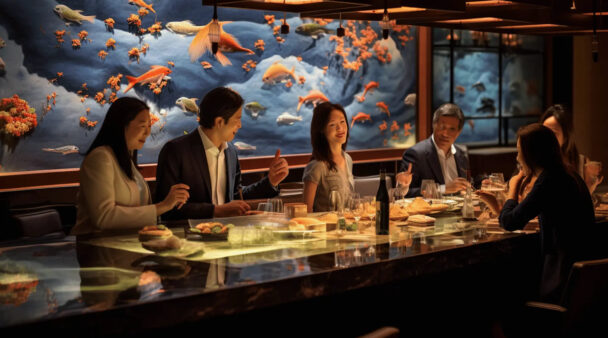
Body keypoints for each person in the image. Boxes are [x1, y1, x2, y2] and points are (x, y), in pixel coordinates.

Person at [156, 87, 289, 219]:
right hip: (187, 235)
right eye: (237, 119)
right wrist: (215, 211)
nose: (240, 125)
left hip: (225, 233)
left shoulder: (230, 152)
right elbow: (166, 209)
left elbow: (237, 196)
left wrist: (270, 181)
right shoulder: (175, 151)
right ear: (219, 122)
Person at [499, 123, 595, 302]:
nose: (518, 157)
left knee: (501, 296)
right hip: (580, 279)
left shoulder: (549, 180)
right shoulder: (569, 174)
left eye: (520, 151)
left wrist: (513, 188)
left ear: (531, 155)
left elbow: (509, 222)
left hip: (560, 280)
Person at [72, 97, 189, 236]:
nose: (147, 133)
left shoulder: (127, 160)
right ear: (122, 125)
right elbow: (104, 217)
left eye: (149, 126)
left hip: (125, 244)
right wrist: (162, 206)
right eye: (142, 126)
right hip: (98, 248)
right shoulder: (100, 158)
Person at [396, 103, 469, 197]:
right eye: (442, 127)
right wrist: (443, 189)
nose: (445, 134)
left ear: (459, 132)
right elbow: (403, 194)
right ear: (434, 125)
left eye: (452, 129)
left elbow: (468, 183)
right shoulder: (415, 154)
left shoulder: (462, 153)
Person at [302, 102, 354, 212]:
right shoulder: (317, 166)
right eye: (332, 124)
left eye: (342, 122)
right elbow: (306, 211)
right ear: (321, 130)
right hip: (325, 227)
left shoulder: (348, 159)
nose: (340, 128)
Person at [541, 104, 603, 194]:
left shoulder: (581, 163)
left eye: (553, 134)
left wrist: (591, 185)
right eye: (543, 133)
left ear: (566, 137)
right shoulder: (532, 161)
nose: (546, 138)